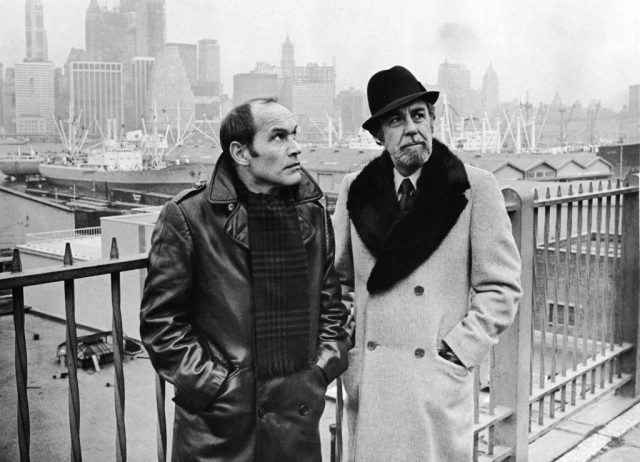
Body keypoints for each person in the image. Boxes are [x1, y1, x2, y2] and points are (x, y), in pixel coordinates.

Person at [140, 98, 351, 461]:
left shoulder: (312, 213)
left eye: (294, 134)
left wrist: (318, 371)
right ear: (241, 152)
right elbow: (162, 324)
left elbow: (333, 304)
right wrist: (215, 385)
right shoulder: (189, 217)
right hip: (221, 429)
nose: (296, 146)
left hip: (294, 421)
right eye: (279, 137)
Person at [332, 66, 522, 461]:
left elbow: (501, 288)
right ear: (378, 136)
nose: (411, 128)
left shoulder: (474, 187)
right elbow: (338, 282)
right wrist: (351, 348)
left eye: (419, 115)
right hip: (374, 382)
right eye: (396, 120)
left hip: (434, 380)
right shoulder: (355, 190)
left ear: (433, 120)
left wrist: (457, 350)